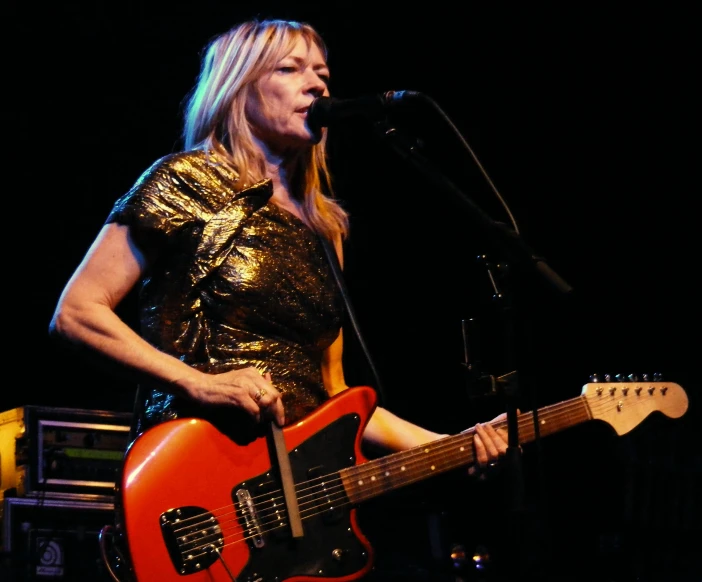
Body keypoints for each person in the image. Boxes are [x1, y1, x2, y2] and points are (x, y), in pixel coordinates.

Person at [49, 17, 509, 581]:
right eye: (290, 69)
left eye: (322, 72)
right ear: (239, 87)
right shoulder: (186, 180)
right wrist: (198, 381)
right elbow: (78, 312)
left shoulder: (325, 226)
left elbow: (335, 395)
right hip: (194, 480)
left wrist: (447, 446)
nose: (317, 85)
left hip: (291, 510)